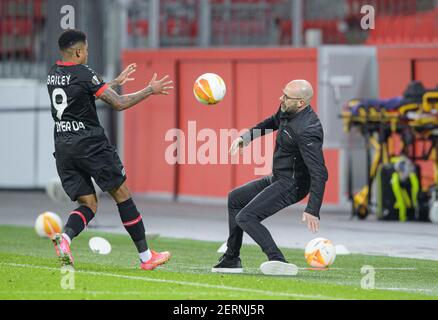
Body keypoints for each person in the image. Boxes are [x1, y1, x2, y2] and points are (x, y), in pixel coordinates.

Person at [47, 29, 173, 270]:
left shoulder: (53, 74)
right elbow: (119, 103)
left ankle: (64, 239)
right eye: (86, 50)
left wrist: (111, 83)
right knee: (122, 195)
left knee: (89, 205)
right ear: (78, 51)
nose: (87, 54)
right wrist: (150, 89)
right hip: (91, 146)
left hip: (64, 148)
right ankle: (146, 258)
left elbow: (78, 97)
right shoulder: (85, 73)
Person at [212, 79, 328, 275]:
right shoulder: (287, 109)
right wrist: (246, 138)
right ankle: (232, 259)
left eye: (286, 97)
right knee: (235, 198)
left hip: (294, 184)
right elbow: (273, 122)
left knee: (246, 216)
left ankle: (277, 259)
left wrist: (312, 209)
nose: (281, 98)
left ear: (301, 102)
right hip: (279, 177)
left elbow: (320, 172)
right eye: (282, 93)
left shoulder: (308, 129)